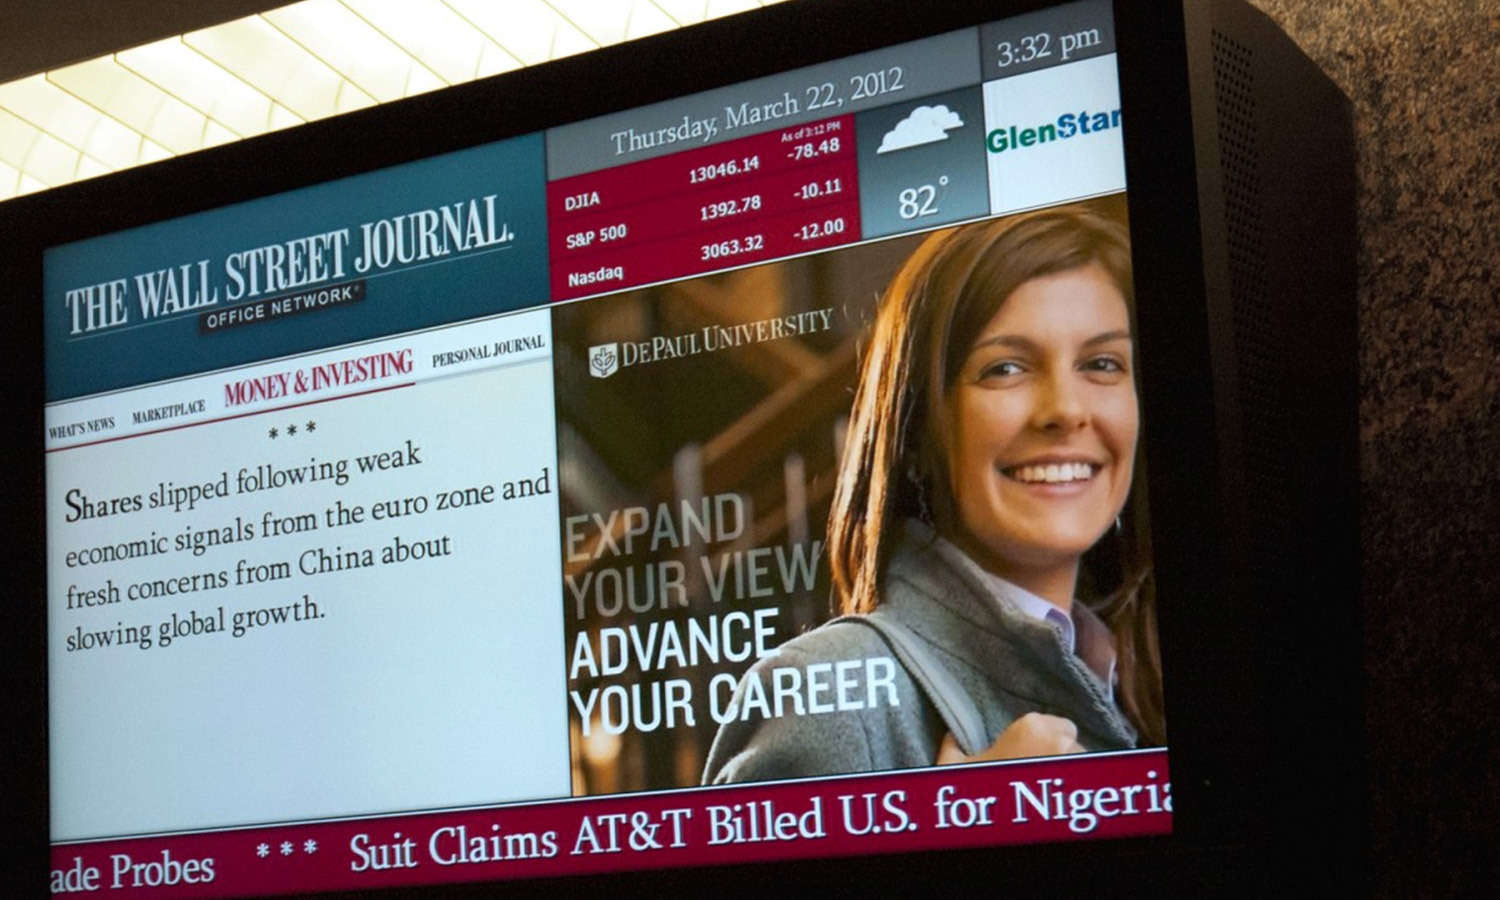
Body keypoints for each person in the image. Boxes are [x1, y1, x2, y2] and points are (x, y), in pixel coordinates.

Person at [703, 206, 1165, 784]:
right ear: (917, 430)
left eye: (1101, 363)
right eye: (1005, 368)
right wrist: (967, 832)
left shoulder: (1133, 672)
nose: (1067, 411)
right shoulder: (824, 694)